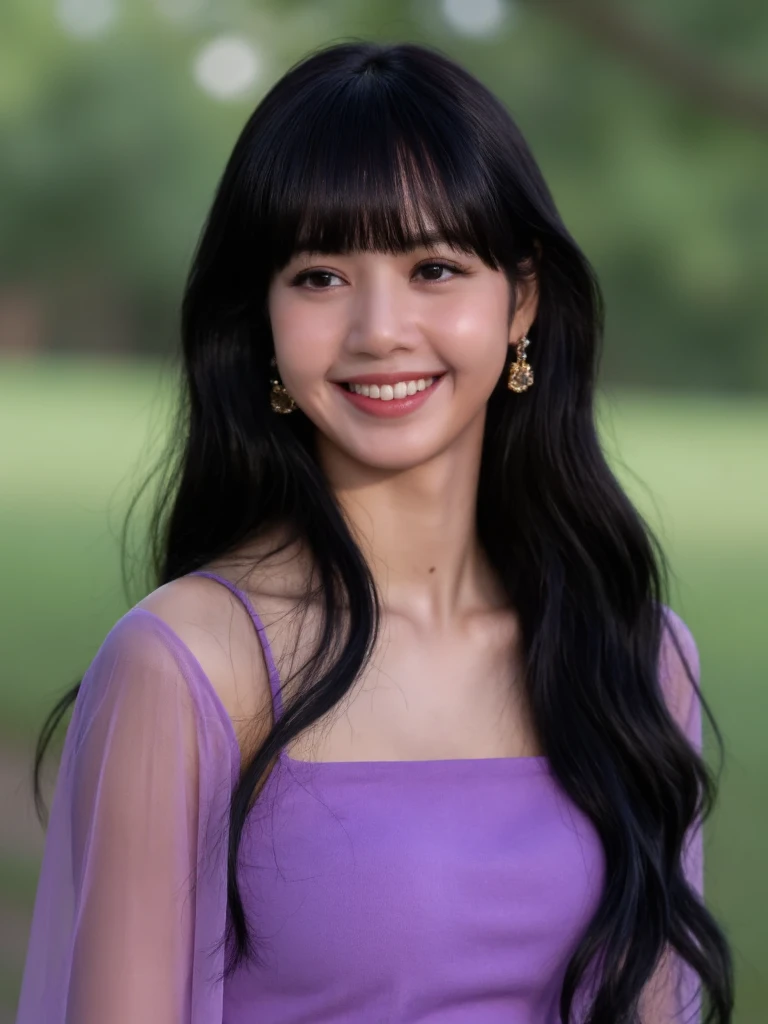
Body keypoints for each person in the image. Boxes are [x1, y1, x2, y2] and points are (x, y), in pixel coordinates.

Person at [17, 40, 733, 1024]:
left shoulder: (636, 652)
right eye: (320, 276)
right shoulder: (185, 665)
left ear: (519, 300)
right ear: (261, 318)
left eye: (434, 266)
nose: (379, 330)